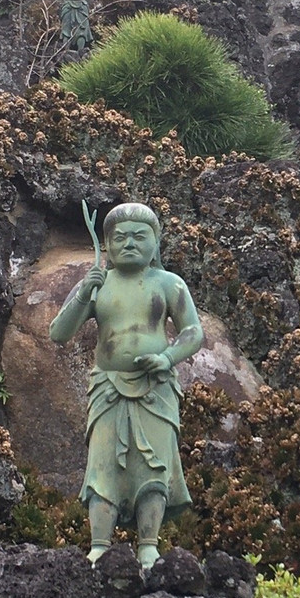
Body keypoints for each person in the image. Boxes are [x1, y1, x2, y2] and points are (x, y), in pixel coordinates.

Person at [49, 203, 203, 569]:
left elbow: (193, 331)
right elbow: (58, 333)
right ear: (107, 243)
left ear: (156, 241)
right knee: (102, 469)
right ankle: (99, 544)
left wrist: (166, 358)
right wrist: (84, 293)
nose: (129, 243)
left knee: (153, 468)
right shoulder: (98, 284)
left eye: (140, 236)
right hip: (107, 388)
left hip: (156, 387)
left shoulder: (168, 283)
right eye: (120, 237)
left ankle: (149, 544)